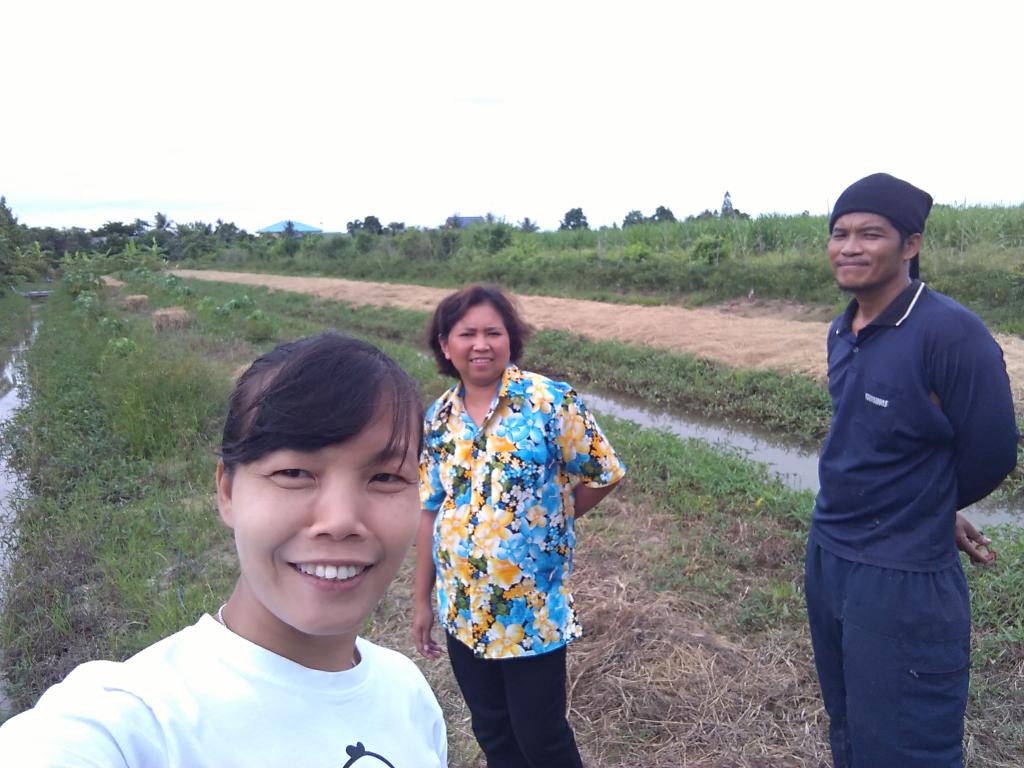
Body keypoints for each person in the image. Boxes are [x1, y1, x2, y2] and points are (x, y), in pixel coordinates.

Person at [0, 333, 448, 767]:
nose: (340, 521)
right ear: (227, 492)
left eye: (386, 478)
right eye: (294, 473)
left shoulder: (408, 693)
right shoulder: (134, 720)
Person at [804, 173, 1019, 767]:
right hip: (830, 553)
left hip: (901, 579)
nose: (850, 247)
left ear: (911, 245)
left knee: (908, 746)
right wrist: (931, 501)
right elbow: (871, 439)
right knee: (849, 724)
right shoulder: (844, 328)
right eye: (840, 233)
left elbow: (994, 453)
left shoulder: (950, 333)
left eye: (870, 234)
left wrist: (928, 507)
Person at [412, 284, 626, 768]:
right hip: (462, 607)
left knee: (541, 738)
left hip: (530, 610)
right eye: (467, 334)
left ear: (511, 339)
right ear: (445, 345)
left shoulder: (549, 402)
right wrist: (421, 600)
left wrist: (551, 518)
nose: (481, 344)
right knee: (492, 732)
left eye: (493, 332)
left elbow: (604, 472)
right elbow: (430, 509)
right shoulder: (438, 420)